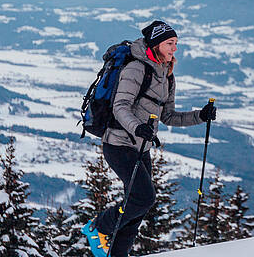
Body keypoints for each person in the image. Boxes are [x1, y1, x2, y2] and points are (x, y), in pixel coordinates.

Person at [82, 20, 217, 257]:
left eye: (176, 43)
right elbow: (120, 107)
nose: (175, 48)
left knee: (137, 208)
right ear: (156, 44)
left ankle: (117, 254)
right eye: (169, 43)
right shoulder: (136, 69)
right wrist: (138, 127)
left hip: (140, 147)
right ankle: (98, 227)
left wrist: (200, 116)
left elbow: (169, 116)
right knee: (143, 198)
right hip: (118, 144)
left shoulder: (167, 75)